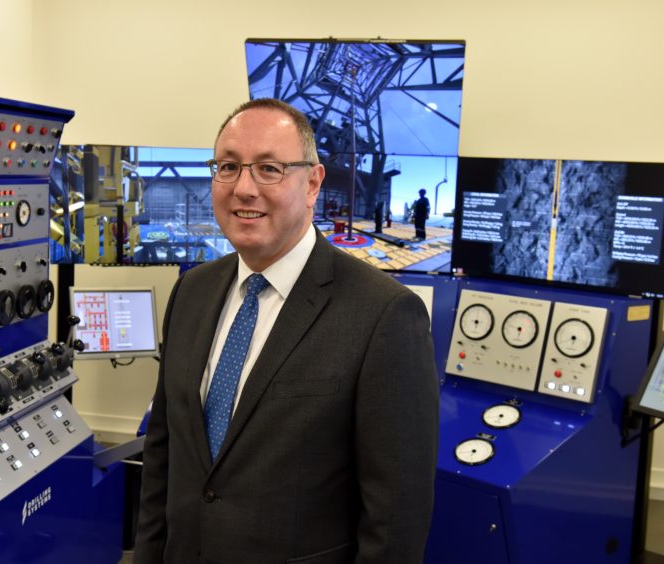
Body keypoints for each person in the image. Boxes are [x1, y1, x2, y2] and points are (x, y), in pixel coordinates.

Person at [134, 98, 438, 564]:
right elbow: (163, 456)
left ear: (313, 183)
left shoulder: (385, 316)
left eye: (270, 168)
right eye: (228, 167)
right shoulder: (190, 292)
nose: (244, 189)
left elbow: (396, 521)